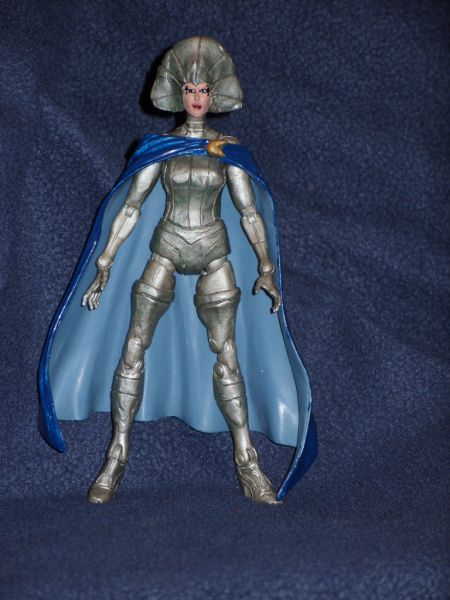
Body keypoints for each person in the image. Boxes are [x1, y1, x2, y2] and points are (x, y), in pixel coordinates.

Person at [38, 36, 316, 505]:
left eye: (203, 89)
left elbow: (250, 213)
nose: (197, 97)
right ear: (179, 93)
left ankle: (247, 460)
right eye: (190, 89)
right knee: (133, 345)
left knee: (228, 354)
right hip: (166, 247)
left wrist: (266, 265)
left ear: (214, 94)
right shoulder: (160, 149)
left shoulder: (226, 151)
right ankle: (116, 453)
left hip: (214, 252)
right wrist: (105, 262)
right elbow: (130, 206)